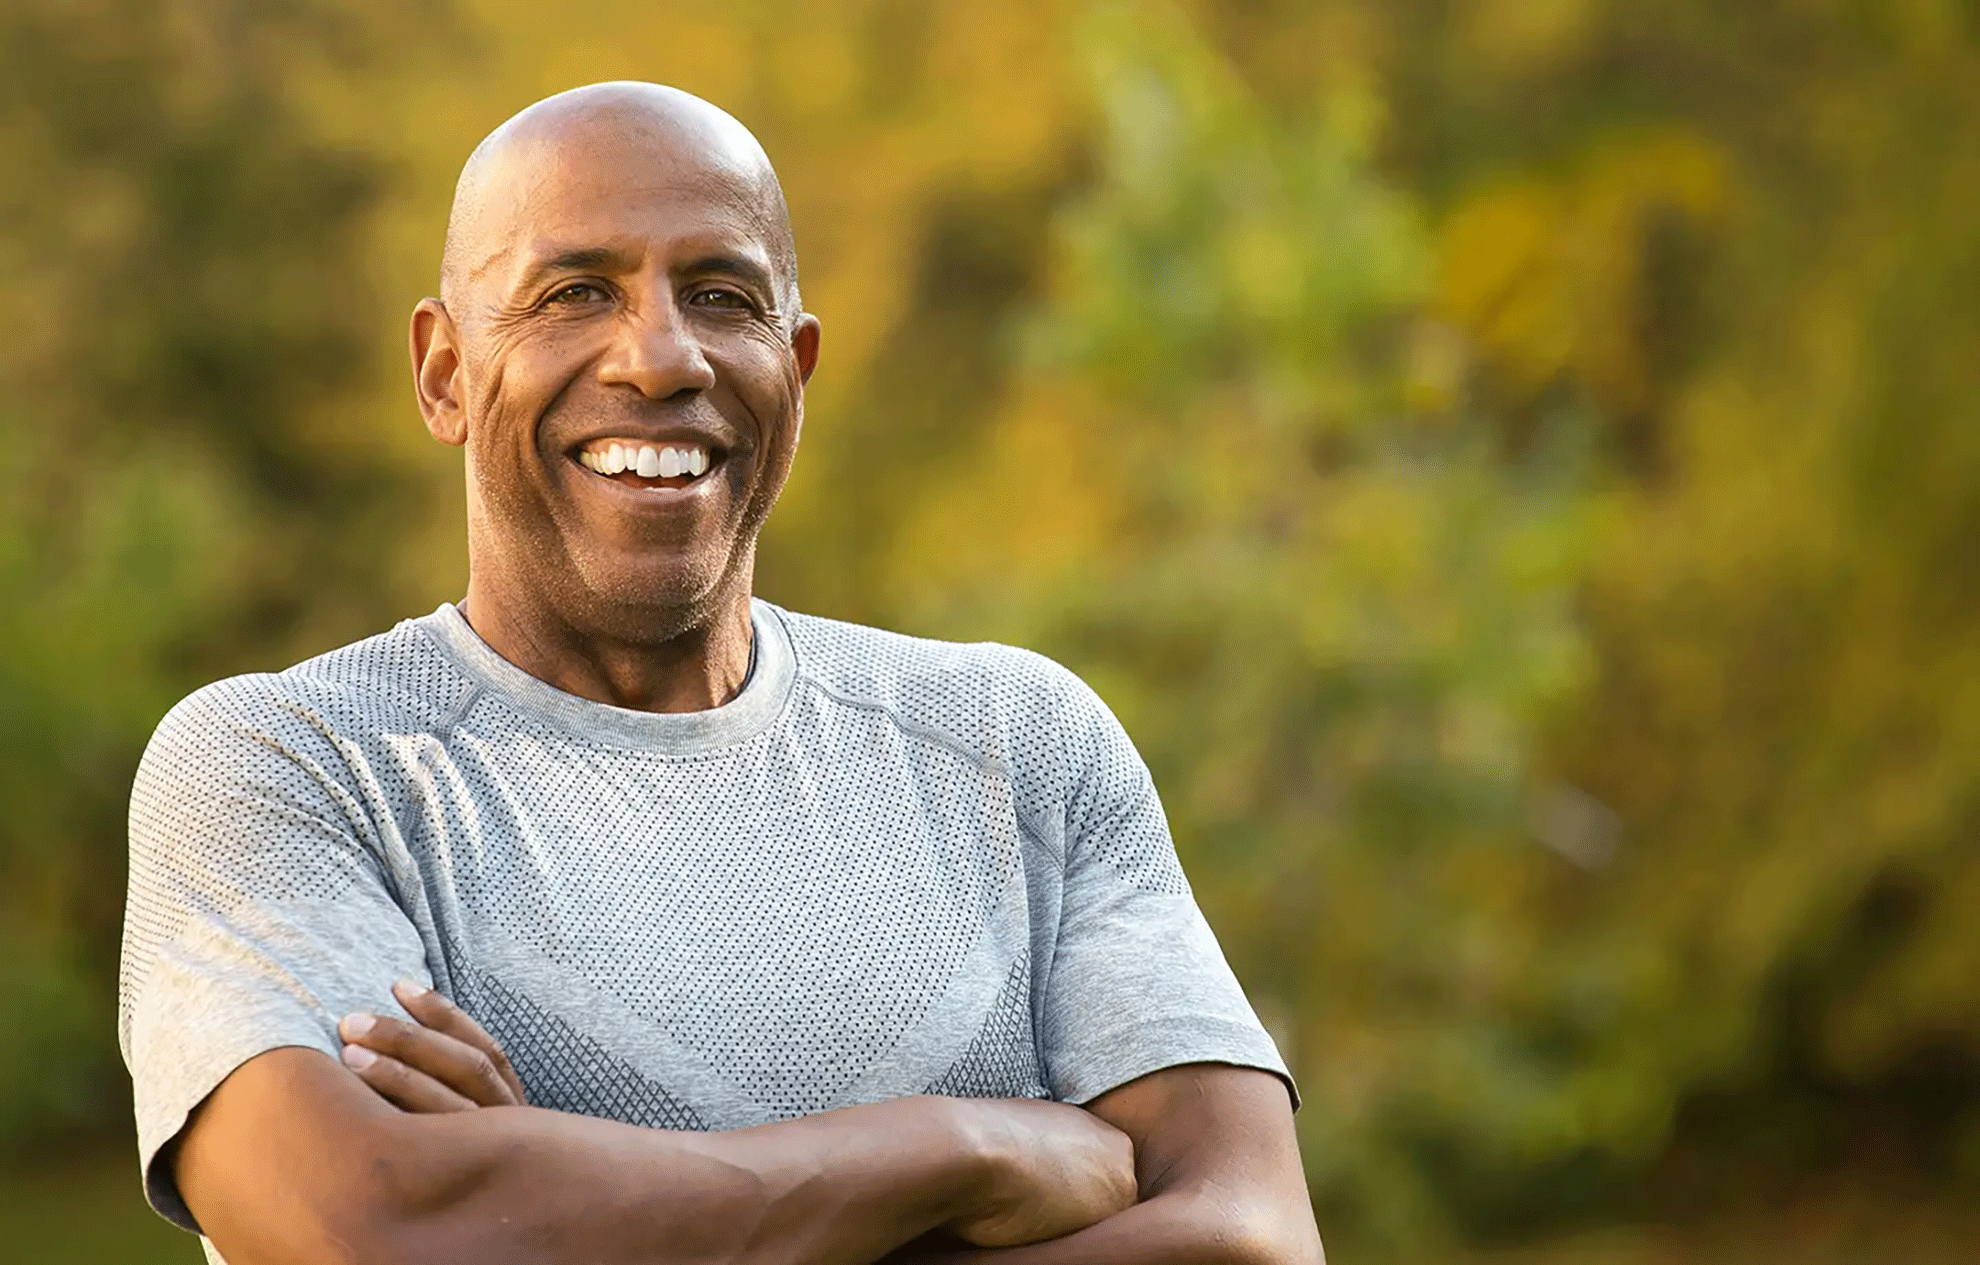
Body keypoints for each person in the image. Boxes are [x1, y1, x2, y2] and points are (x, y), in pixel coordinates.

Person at [118, 81, 1324, 1265]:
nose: (659, 357)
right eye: (573, 290)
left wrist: (559, 1190)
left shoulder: (1020, 746)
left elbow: (1249, 1237)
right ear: (442, 371)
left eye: (721, 294)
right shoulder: (293, 765)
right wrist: (966, 1151)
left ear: (795, 366)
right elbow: (368, 1222)